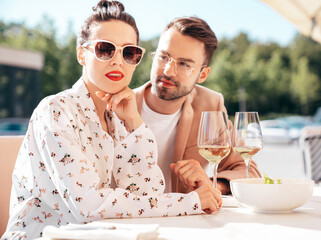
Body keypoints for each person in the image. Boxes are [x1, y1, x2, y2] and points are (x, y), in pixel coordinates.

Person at [1, 2, 221, 239]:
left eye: (129, 52)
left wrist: (136, 124)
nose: (118, 61)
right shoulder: (55, 111)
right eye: (105, 49)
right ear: (81, 55)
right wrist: (189, 202)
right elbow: (89, 207)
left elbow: (147, 193)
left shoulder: (118, 117)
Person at [134, 17, 261, 195]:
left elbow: (248, 170)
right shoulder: (119, 106)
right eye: (164, 57)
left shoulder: (210, 105)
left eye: (184, 64)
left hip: (186, 219)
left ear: (203, 74)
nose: (168, 71)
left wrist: (211, 185)